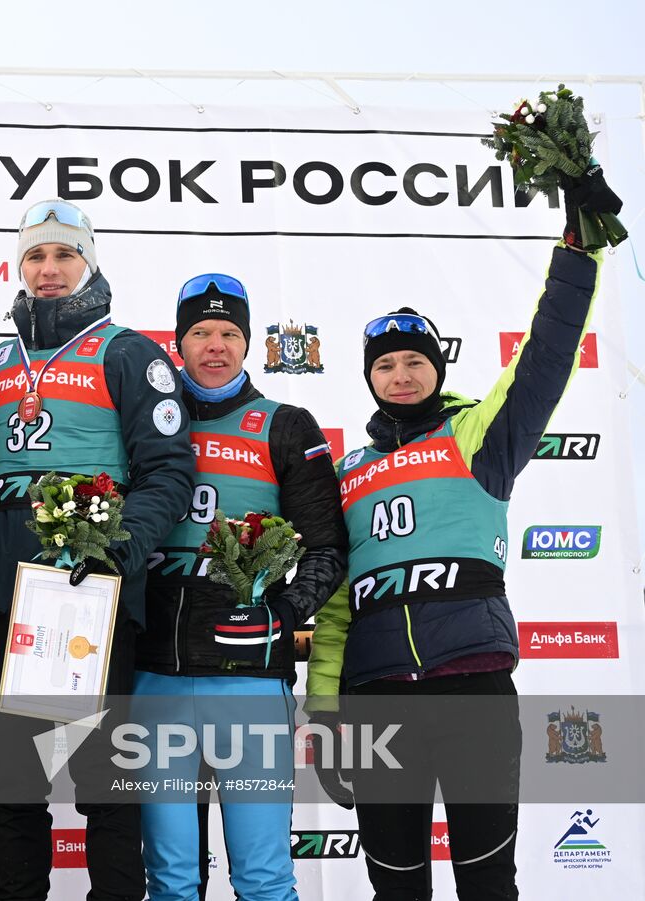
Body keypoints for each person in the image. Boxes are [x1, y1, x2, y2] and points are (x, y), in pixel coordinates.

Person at [308, 163, 621, 900]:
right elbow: (333, 610)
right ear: (370, 378)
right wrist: (325, 717)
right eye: (385, 364)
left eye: (415, 359)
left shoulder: (476, 434)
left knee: (487, 883)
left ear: (436, 364)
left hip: (473, 686)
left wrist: (577, 252)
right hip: (376, 700)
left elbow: (544, 359)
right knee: (396, 887)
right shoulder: (346, 471)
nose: (402, 374)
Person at [0, 199, 196, 900]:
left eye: (64, 254)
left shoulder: (127, 351)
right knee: (15, 790)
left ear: (88, 261)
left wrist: (120, 549)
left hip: (87, 589)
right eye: (36, 255)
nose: (49, 269)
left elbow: (168, 470)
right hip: (2, 598)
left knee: (106, 787)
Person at [134, 274, 348, 901]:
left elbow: (327, 549)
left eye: (230, 333)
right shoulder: (147, 423)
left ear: (249, 342)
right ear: (178, 343)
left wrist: (283, 614)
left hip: (249, 680)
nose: (215, 345)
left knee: (263, 878)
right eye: (200, 332)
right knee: (171, 881)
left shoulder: (285, 425)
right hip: (155, 679)